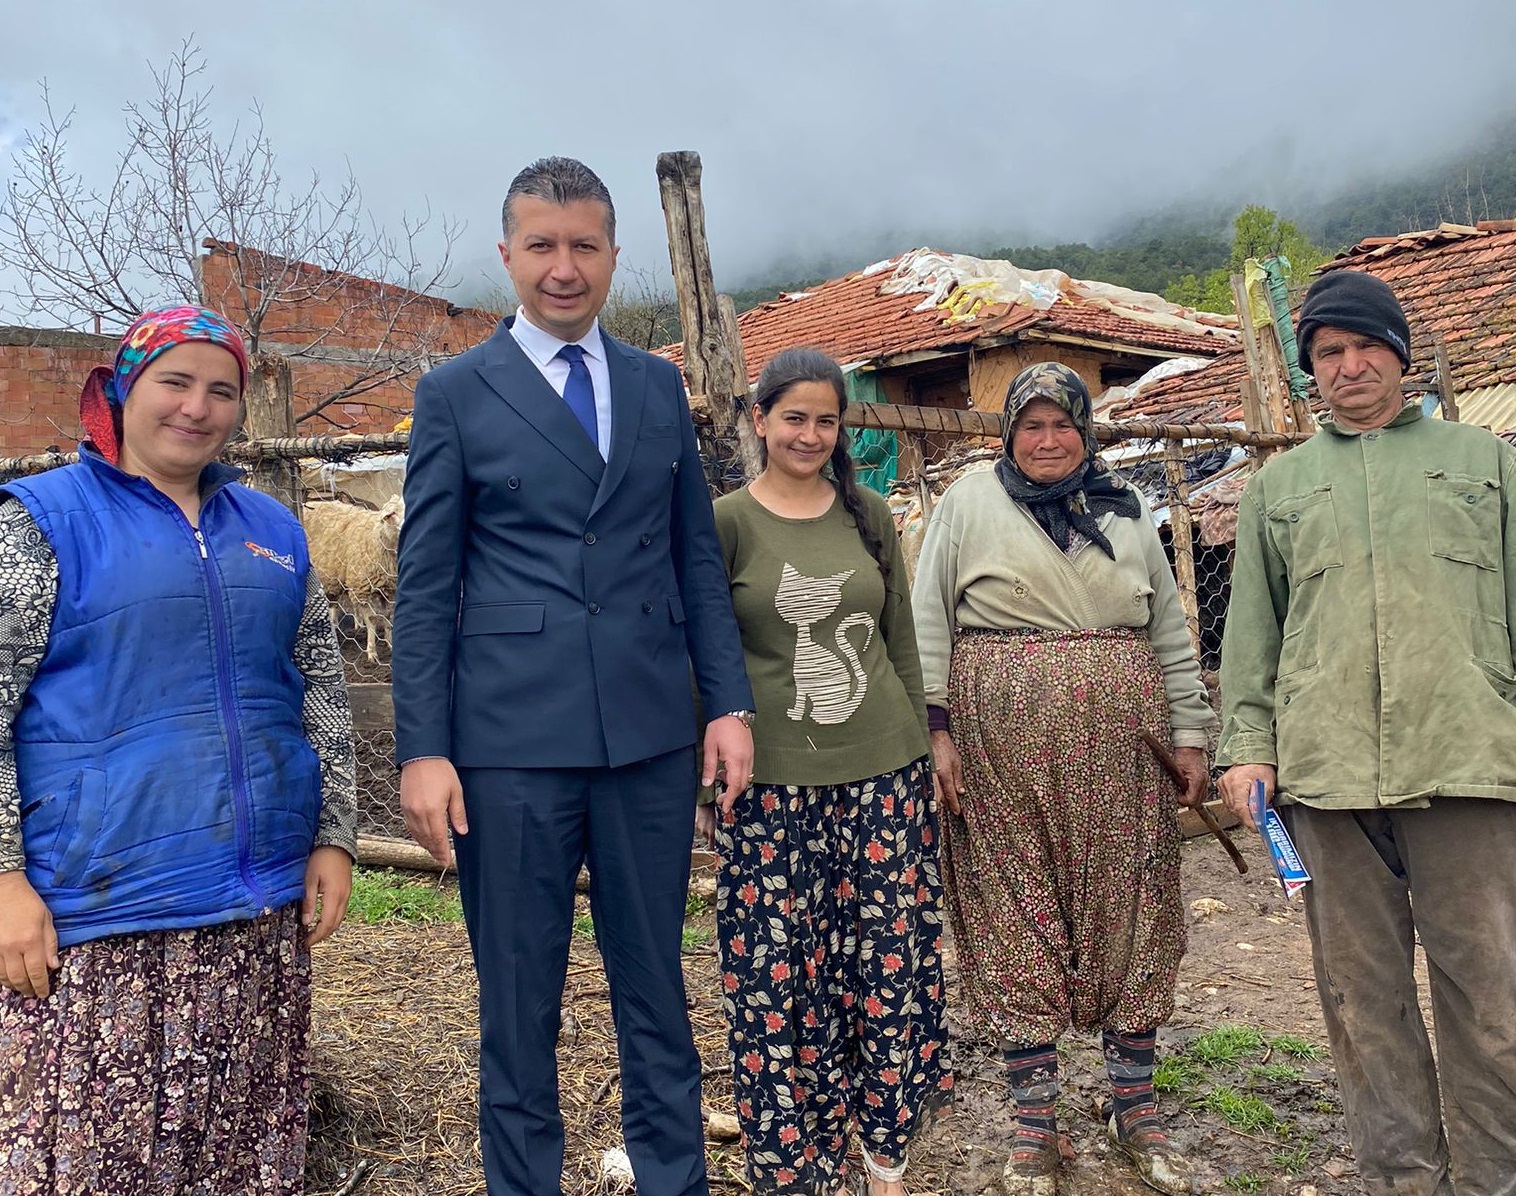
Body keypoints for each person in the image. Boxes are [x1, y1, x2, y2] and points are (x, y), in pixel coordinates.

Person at [391, 156, 755, 1196]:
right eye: (542, 246)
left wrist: (725, 702)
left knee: (659, 995)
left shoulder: (652, 383)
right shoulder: (455, 393)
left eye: (583, 245)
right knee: (518, 1006)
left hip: (646, 740)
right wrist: (423, 747)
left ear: (611, 254)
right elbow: (426, 586)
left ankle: (673, 1177)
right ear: (507, 254)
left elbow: (692, 557)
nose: (563, 267)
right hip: (507, 750)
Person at [0, 305, 358, 1194]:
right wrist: (3, 878)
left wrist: (335, 835)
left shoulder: (272, 531)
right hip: (97, 914)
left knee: (237, 1151)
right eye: (175, 381)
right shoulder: (40, 525)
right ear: (122, 388)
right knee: (93, 1163)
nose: (197, 407)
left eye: (221, 390)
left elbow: (319, 689)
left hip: (255, 911)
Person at [1217, 271, 1516, 1196]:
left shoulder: (1486, 463)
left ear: (1402, 355)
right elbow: (1253, 634)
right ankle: (1402, 1178)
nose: (1348, 368)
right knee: (1362, 999)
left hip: (1468, 760)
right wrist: (1247, 748)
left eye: (1364, 347)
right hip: (1327, 775)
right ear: (1312, 373)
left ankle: (1495, 1176)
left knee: (1493, 993)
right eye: (1327, 355)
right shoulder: (1280, 486)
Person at [911, 362, 1213, 1196]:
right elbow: (927, 620)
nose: (1048, 441)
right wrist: (936, 731)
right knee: (1013, 906)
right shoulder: (969, 503)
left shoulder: (1127, 505)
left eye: (1063, 424)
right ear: (1009, 433)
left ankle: (1134, 1107)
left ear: (1087, 429)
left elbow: (1169, 630)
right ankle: (1033, 1124)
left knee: (1134, 906)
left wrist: (1190, 735)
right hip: (997, 748)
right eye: (1031, 426)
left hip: (1125, 751)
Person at [697, 348, 952, 1196]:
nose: (809, 434)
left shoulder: (868, 514)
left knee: (888, 968)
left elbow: (903, 644)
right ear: (761, 419)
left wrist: (928, 743)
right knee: (779, 976)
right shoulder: (725, 521)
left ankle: (885, 1156)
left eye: (826, 420)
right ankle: (796, 1167)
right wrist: (706, 777)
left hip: (882, 777)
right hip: (768, 789)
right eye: (793, 416)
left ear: (842, 429)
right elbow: (703, 656)